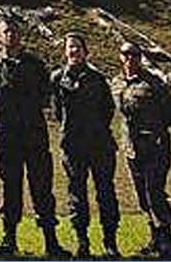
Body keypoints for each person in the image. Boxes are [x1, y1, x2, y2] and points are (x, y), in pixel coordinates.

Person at [0, 15, 68, 260]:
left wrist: (28, 113)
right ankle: (9, 240)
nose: (11, 35)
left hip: (35, 136)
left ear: (21, 35)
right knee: (11, 189)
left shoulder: (35, 64)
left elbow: (44, 94)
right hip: (7, 138)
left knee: (42, 188)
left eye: (15, 31)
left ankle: (51, 241)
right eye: (6, 31)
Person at [51, 32, 122, 260]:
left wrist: (95, 129)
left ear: (85, 51)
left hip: (100, 144)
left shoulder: (97, 79)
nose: (74, 51)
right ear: (65, 51)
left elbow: (108, 110)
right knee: (76, 195)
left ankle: (110, 242)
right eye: (70, 47)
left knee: (106, 193)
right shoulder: (57, 79)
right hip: (72, 146)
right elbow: (57, 112)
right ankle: (82, 242)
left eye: (78, 47)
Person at [116, 42, 171, 261]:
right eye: (125, 55)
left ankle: (167, 242)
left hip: (155, 147)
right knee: (142, 195)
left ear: (140, 57)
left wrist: (153, 129)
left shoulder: (153, 83)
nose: (129, 59)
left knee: (155, 192)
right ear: (120, 57)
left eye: (134, 55)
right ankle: (155, 238)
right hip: (131, 149)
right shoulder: (116, 83)